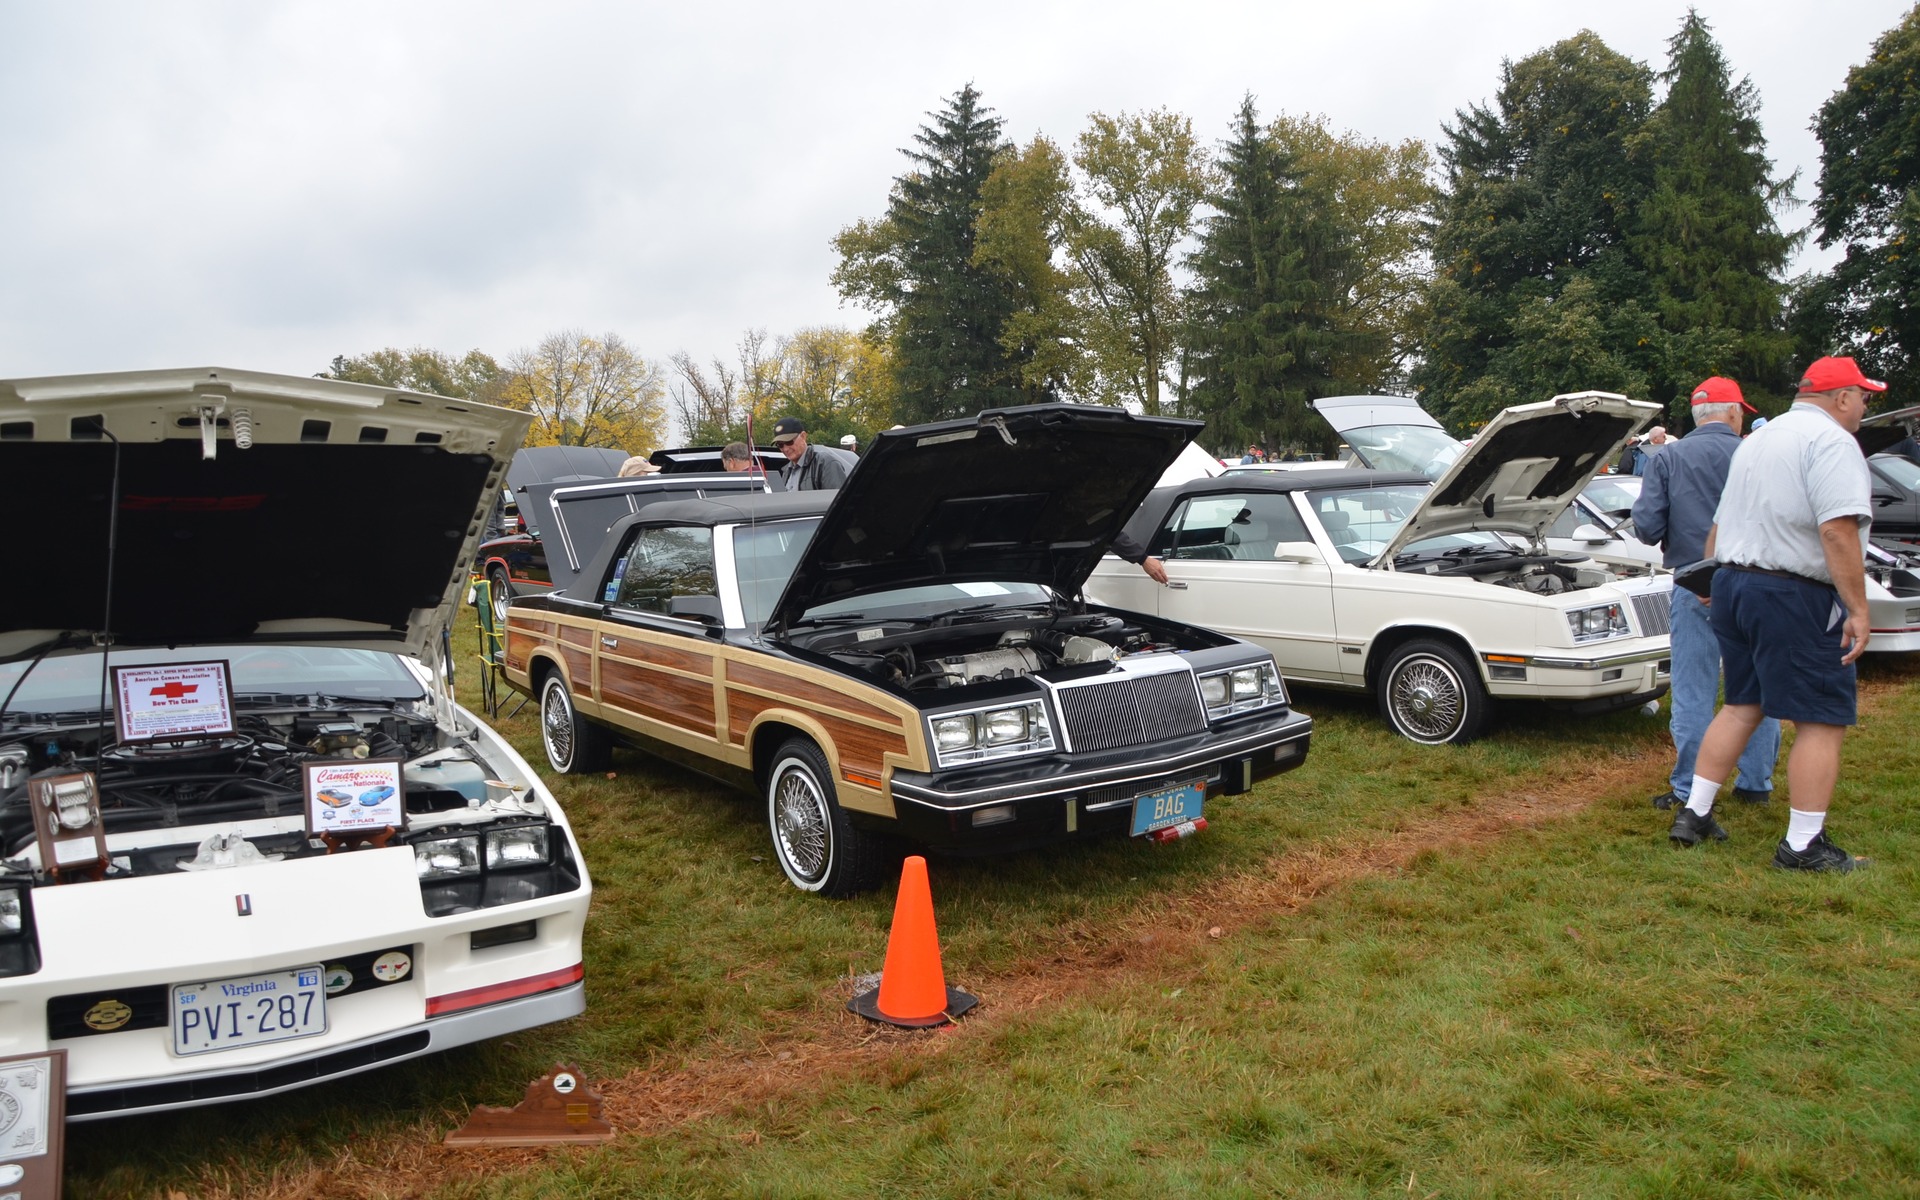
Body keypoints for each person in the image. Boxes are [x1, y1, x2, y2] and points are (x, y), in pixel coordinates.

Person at [1667, 356, 1880, 871]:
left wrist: (1716, 584)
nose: (1866, 406)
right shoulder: (1830, 442)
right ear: (1842, 397)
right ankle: (1803, 845)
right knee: (1821, 717)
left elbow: (1719, 526)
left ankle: (1693, 815)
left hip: (1734, 581)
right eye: (1864, 396)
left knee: (1743, 702)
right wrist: (1857, 608)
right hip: (1791, 591)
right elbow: (1836, 530)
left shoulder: (1758, 440)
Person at [1632, 377, 1780, 815]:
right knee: (1757, 685)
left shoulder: (1668, 458)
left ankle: (1689, 788)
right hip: (1757, 581)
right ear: (1733, 412)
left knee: (1693, 689)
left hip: (1696, 583)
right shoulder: (1757, 453)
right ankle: (1756, 783)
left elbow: (1647, 527)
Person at [771, 416, 857, 491]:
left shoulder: (825, 463)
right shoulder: (786, 471)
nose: (785, 449)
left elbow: (838, 502)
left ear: (803, 436)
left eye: (789, 442)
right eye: (780, 445)